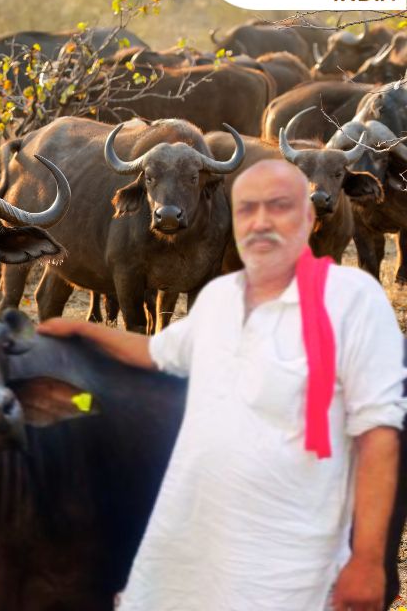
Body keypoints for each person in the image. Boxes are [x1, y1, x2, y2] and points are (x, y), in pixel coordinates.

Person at [41, 160, 404, 611]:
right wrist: (72, 333)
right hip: (192, 542)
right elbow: (157, 354)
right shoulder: (221, 298)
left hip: (290, 555)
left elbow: (379, 435)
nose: (261, 220)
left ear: (309, 217)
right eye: (247, 208)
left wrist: (369, 561)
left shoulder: (352, 297)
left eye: (280, 206)